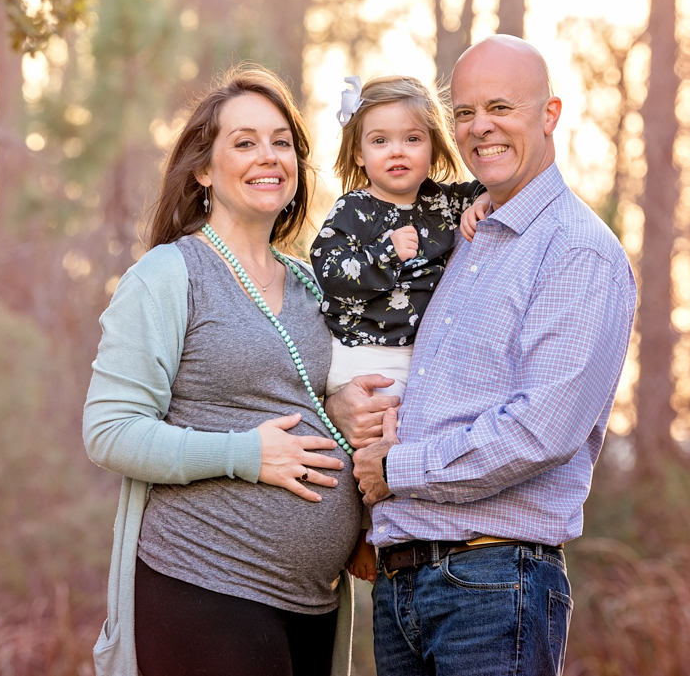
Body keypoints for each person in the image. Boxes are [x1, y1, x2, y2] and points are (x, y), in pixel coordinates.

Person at [328, 36, 638, 676]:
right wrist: (344, 401)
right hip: (402, 582)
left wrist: (399, 467)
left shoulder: (576, 251)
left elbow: (540, 431)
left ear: (549, 113)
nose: (480, 127)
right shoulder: (465, 237)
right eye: (465, 112)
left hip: (493, 583)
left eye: (501, 107)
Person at [83, 65, 360, 676]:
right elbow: (109, 430)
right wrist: (244, 454)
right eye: (245, 141)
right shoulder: (169, 276)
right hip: (206, 583)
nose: (269, 156)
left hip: (313, 605)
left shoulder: (316, 287)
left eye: (281, 141)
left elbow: (319, 397)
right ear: (204, 169)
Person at [316, 74, 486, 403]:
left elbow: (491, 185)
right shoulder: (355, 209)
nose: (397, 151)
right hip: (363, 353)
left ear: (434, 149)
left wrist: (480, 201)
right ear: (359, 154)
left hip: (421, 357)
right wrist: (385, 254)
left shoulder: (441, 202)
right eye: (380, 141)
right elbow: (329, 268)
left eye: (412, 139)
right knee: (382, 434)